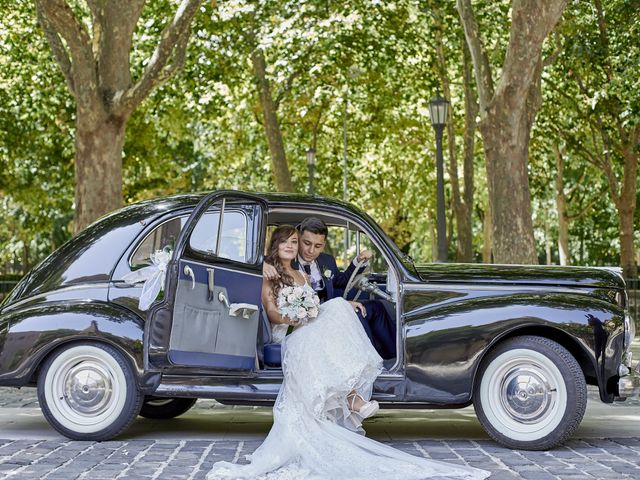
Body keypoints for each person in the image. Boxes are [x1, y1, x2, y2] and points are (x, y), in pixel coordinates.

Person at [206, 225, 490, 480]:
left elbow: (321, 298)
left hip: (306, 323)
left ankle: (352, 396)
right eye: (288, 243)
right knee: (334, 315)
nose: (293, 247)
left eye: (294, 242)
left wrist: (313, 310)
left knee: (342, 307)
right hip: (289, 332)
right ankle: (352, 399)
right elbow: (273, 313)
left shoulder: (302, 272)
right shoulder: (269, 273)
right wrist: (298, 315)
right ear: (275, 246)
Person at [264, 217, 396, 360]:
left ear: (324, 244)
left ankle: (395, 357)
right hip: (304, 320)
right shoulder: (277, 264)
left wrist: (358, 261)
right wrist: (263, 265)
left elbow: (342, 281)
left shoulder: (326, 261)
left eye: (318, 246)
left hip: (319, 311)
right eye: (306, 243)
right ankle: (368, 358)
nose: (311, 250)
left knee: (375, 307)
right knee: (354, 314)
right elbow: (256, 261)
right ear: (300, 238)